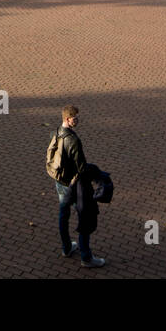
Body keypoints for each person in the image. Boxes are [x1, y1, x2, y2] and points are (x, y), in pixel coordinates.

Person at [51, 105, 105, 268]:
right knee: (85, 219)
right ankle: (86, 257)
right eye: (75, 118)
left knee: (63, 214)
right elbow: (81, 168)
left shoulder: (57, 132)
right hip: (73, 185)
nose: (77, 120)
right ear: (68, 119)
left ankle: (67, 248)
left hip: (60, 181)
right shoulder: (73, 140)